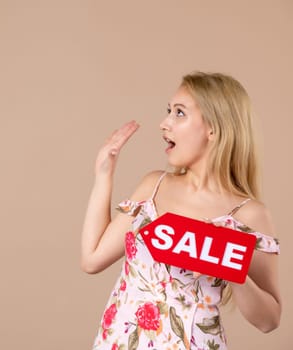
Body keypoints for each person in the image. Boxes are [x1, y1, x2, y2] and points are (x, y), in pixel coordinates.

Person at [80, 72, 281, 350]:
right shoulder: (154, 185)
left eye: (179, 113)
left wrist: (234, 271)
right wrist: (103, 175)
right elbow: (92, 260)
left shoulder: (248, 214)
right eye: (168, 112)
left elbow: (269, 320)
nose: (165, 123)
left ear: (214, 128)